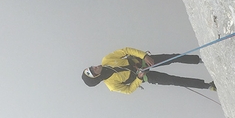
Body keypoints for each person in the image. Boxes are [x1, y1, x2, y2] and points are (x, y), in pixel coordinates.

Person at [82, 47, 216, 94]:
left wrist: (144, 56)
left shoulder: (106, 60)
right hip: (145, 76)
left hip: (141, 61)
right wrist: (139, 78)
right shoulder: (111, 85)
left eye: (92, 67)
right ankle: (207, 85)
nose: (95, 67)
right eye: (94, 71)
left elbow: (125, 50)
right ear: (97, 78)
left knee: (171, 58)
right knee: (174, 80)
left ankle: (199, 60)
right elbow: (128, 90)